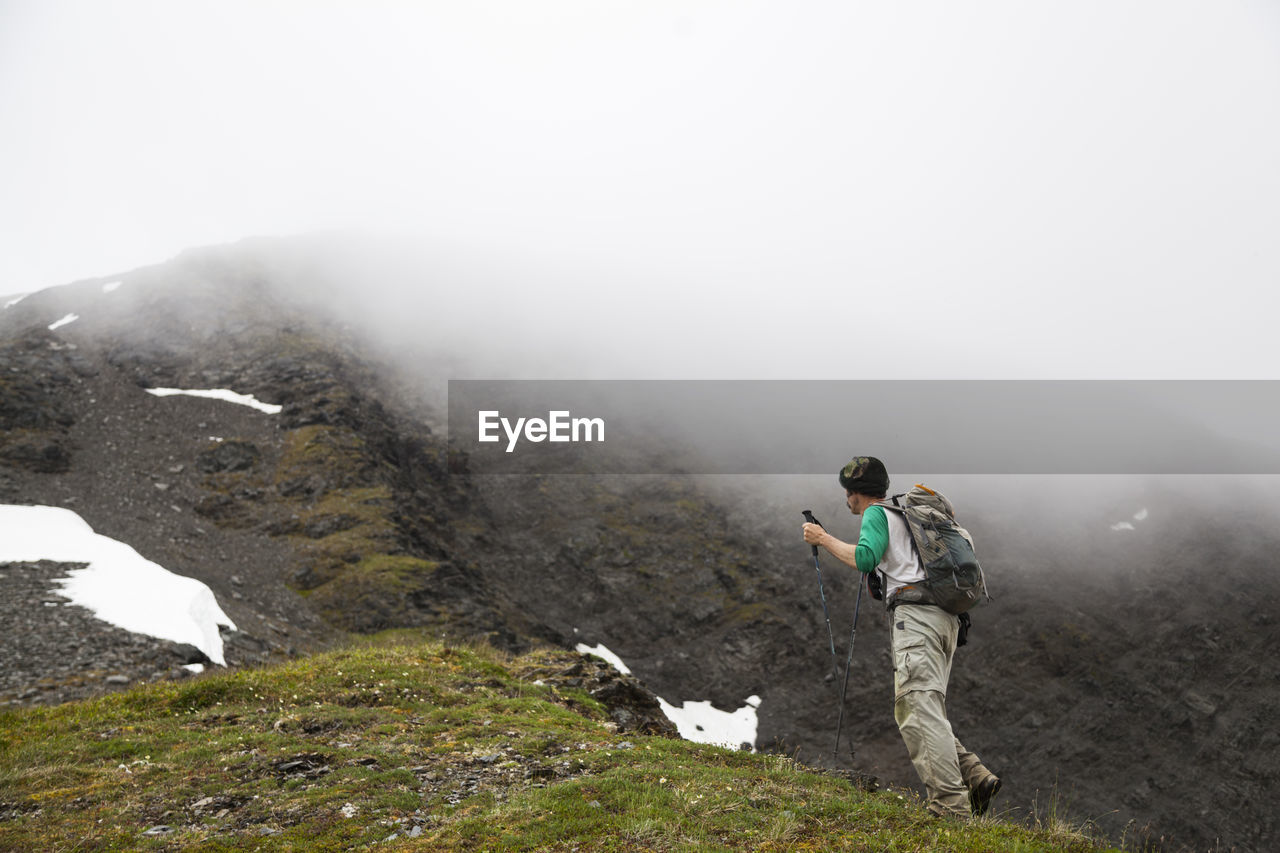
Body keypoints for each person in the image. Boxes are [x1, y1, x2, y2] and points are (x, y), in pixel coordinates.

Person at [801, 455, 1001, 819]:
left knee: (916, 708)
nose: (847, 500)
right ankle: (975, 778)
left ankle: (950, 808)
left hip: (916, 617)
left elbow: (864, 559)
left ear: (854, 492)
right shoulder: (906, 518)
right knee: (926, 706)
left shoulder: (877, 514)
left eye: (847, 493)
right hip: (947, 620)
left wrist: (823, 538)